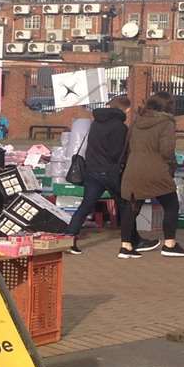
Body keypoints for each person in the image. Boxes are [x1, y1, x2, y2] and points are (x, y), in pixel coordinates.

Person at [118, 92, 184, 258]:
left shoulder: (137, 121)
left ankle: (126, 246)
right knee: (171, 205)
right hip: (156, 170)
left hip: (133, 169)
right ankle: (170, 244)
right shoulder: (167, 123)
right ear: (168, 106)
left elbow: (127, 145)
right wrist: (172, 165)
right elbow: (167, 150)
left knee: (132, 207)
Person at [64, 95, 130, 254]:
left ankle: (69, 238)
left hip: (92, 170)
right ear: (125, 109)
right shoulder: (120, 127)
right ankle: (128, 243)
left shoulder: (96, 123)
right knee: (126, 206)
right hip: (110, 172)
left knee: (85, 206)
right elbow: (117, 152)